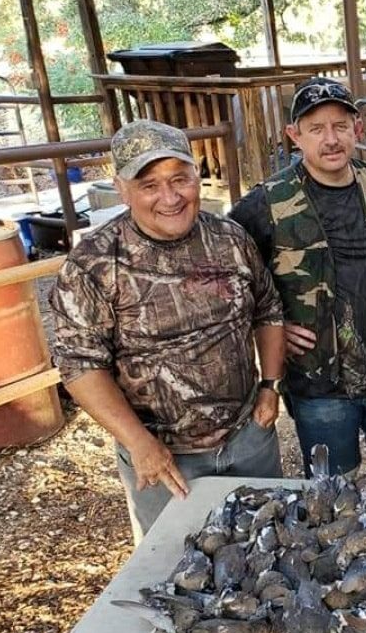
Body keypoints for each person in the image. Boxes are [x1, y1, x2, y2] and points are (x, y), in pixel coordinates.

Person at [49, 120, 286, 544]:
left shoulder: (231, 238)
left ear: (197, 176)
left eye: (180, 179)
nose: (170, 197)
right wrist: (138, 443)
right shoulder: (94, 264)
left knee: (269, 549)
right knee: (175, 568)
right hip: (164, 459)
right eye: (150, 184)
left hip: (248, 437)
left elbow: (267, 308)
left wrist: (270, 386)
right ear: (122, 189)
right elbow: (79, 365)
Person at [230, 77, 366, 481]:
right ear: (294, 136)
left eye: (340, 126)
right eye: (316, 129)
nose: (330, 139)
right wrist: (269, 326)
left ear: (358, 129)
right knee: (335, 494)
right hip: (317, 384)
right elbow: (228, 278)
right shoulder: (266, 203)